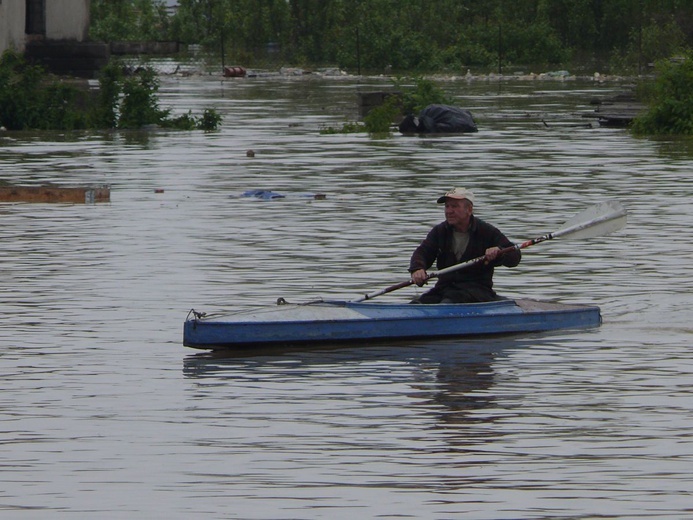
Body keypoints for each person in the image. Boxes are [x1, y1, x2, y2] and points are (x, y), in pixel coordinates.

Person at [409, 188, 521, 304]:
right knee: (416, 304)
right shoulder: (439, 231)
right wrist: (417, 269)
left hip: (477, 291)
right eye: (447, 206)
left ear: (469, 209)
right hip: (444, 289)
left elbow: (515, 257)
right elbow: (423, 252)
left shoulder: (486, 231)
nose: (449, 211)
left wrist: (499, 252)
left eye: (454, 206)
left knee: (450, 301)